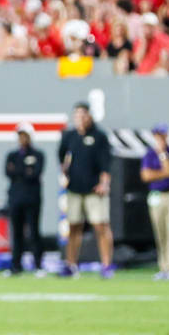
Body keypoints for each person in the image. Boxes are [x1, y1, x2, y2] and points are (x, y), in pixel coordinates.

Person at [58, 102, 114, 279]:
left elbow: (106, 163)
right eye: (77, 115)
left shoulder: (99, 136)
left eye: (83, 114)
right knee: (74, 227)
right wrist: (65, 173)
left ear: (89, 116)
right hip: (75, 189)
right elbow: (61, 156)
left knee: (101, 226)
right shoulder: (70, 136)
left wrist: (104, 183)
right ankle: (71, 265)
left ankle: (106, 265)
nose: (80, 118)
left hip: (93, 190)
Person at [140, 123, 169, 281]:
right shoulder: (149, 154)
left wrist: (163, 156)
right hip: (157, 195)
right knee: (160, 232)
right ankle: (164, 266)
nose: (159, 138)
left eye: (162, 135)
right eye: (157, 135)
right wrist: (164, 172)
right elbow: (146, 176)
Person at [5, 123, 45, 277]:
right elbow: (8, 172)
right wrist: (24, 171)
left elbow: (34, 174)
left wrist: (18, 170)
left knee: (34, 231)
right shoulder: (12, 155)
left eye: (25, 135)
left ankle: (38, 265)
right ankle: (16, 266)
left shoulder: (38, 154)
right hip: (15, 198)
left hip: (32, 199)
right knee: (16, 233)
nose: (22, 139)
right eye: (20, 135)